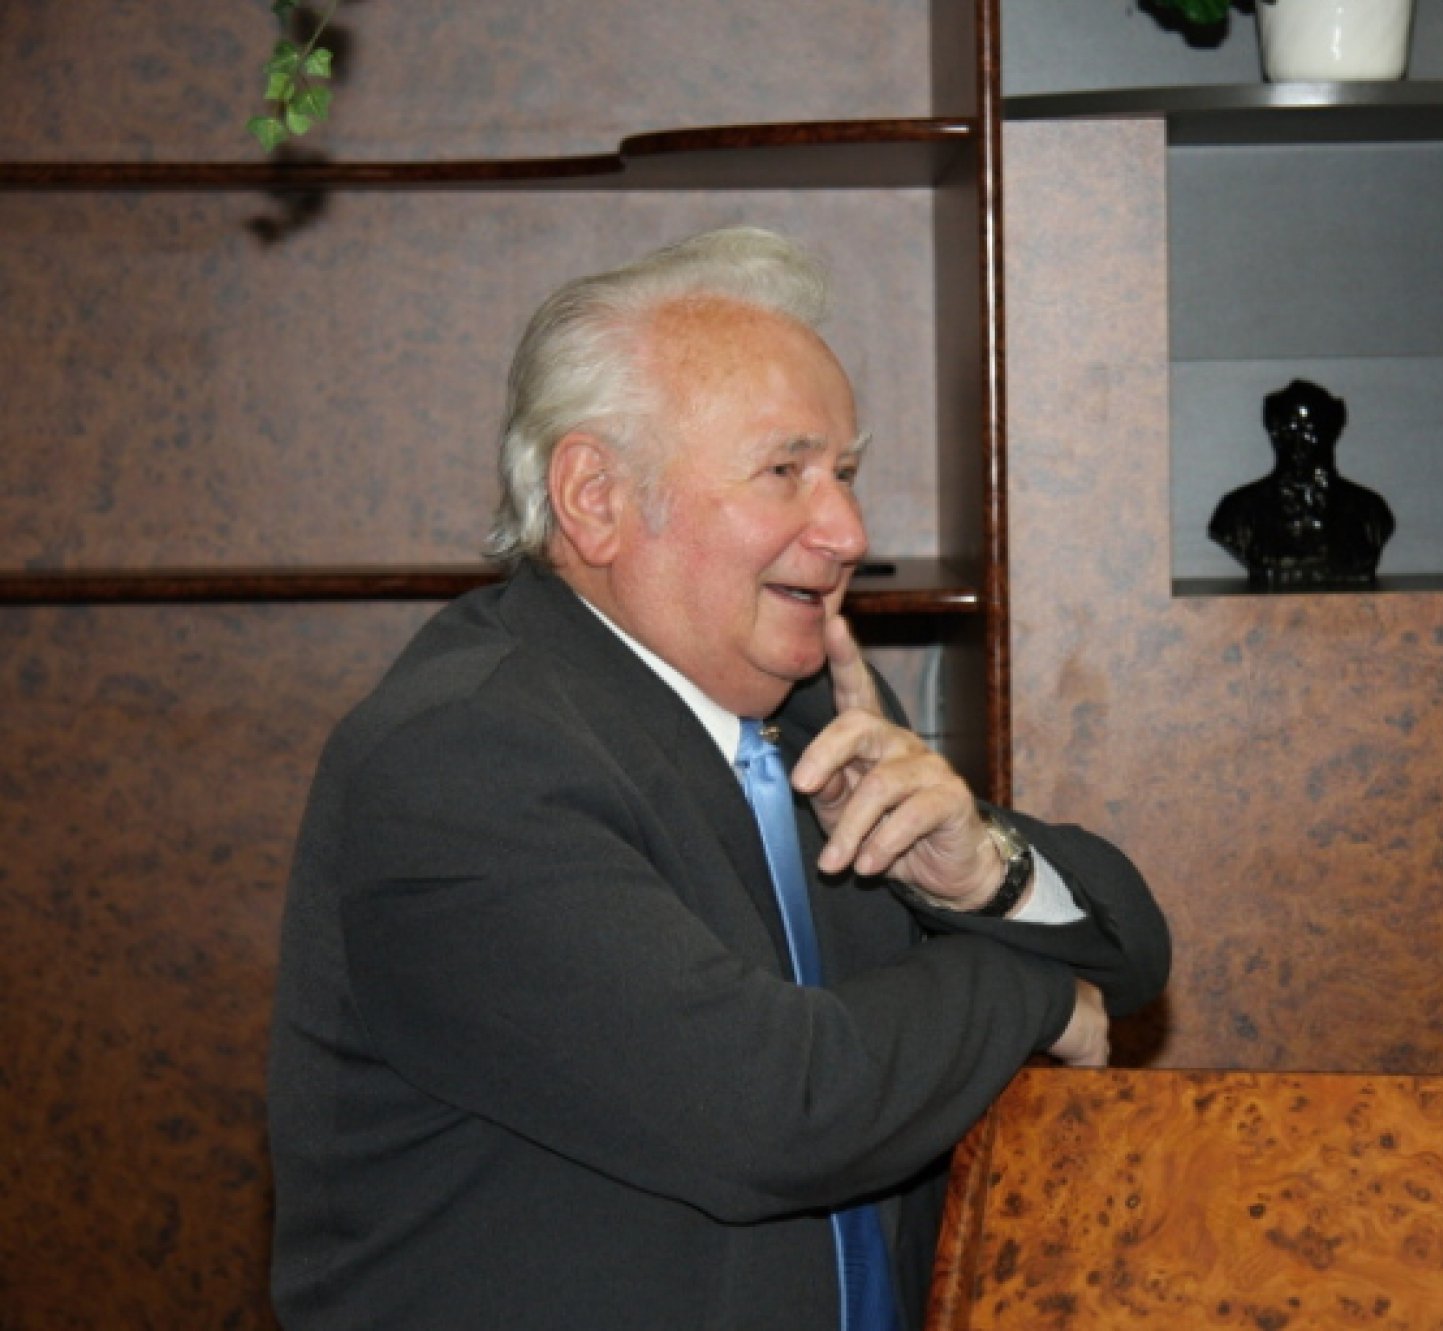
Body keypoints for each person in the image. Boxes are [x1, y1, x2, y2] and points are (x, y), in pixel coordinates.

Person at [265, 227, 1171, 1330]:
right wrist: (1028, 993)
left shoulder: (809, 705)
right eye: (786, 471)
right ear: (596, 496)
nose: (847, 531)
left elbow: (1130, 951)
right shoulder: (461, 754)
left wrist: (985, 873)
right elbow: (775, 1110)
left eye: (844, 475)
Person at [1207, 377, 1395, 587]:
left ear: (1333, 430)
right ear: (1273, 432)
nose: (1298, 442)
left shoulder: (1370, 509)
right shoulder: (1236, 510)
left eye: (1310, 428)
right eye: (1288, 428)